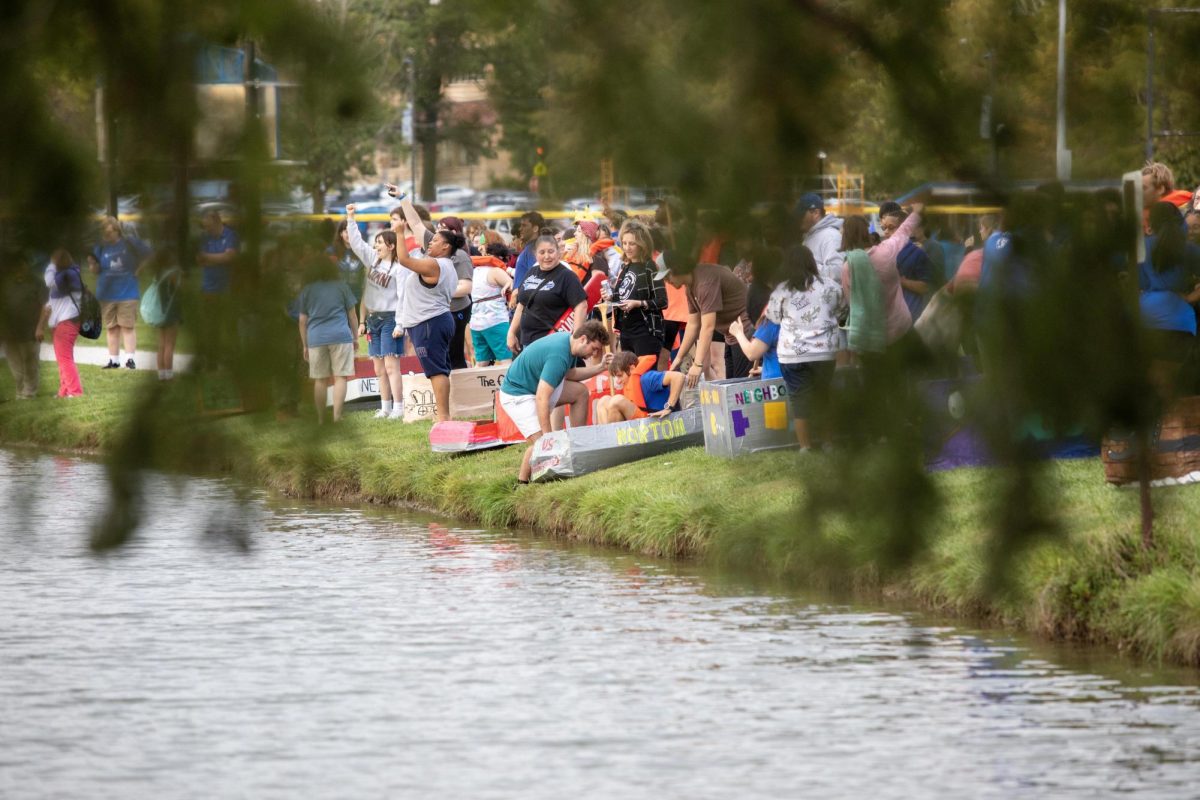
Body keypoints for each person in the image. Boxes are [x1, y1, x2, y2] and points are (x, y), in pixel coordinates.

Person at [498, 320, 612, 483]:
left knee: (580, 392)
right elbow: (541, 398)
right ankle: (521, 483)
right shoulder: (559, 354)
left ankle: (578, 449)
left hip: (534, 388)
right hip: (518, 395)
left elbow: (570, 374)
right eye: (594, 348)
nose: (593, 354)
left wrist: (600, 367)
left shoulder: (569, 343)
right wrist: (548, 437)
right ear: (583, 339)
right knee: (542, 446)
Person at [766, 244, 845, 449]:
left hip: (792, 353)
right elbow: (843, 310)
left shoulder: (782, 290)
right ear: (812, 262)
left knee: (799, 399)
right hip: (824, 352)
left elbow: (773, 317)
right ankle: (828, 443)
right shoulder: (830, 286)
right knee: (824, 396)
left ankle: (805, 447)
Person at [393, 197, 461, 422]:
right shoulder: (443, 261)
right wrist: (403, 198)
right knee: (438, 370)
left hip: (430, 322)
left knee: (436, 371)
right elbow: (416, 223)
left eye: (435, 241)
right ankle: (443, 415)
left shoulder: (434, 264)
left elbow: (403, 259)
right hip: (432, 320)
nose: (430, 243)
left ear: (446, 246)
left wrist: (399, 234)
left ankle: (443, 417)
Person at [392, 195, 475, 371]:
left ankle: (456, 396)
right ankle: (451, 396)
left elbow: (467, 287)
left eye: (442, 229)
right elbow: (415, 224)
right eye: (436, 228)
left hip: (452, 311)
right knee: (441, 363)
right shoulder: (434, 249)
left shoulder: (456, 256)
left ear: (449, 239)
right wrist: (402, 198)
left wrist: (444, 288)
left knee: (451, 360)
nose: (435, 234)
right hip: (434, 313)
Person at [839, 203, 924, 354]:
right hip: (900, 330)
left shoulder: (847, 268)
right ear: (866, 232)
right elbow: (904, 230)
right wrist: (916, 211)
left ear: (845, 237)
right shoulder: (886, 251)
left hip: (871, 340)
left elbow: (852, 303)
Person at [346, 204, 405, 419]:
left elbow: (402, 298)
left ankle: (398, 407)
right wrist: (351, 218)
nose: (376, 246)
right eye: (376, 243)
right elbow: (356, 243)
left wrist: (400, 324)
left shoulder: (399, 269)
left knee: (391, 366)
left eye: (380, 243)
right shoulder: (373, 260)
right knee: (379, 369)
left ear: (391, 245)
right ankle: (385, 407)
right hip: (373, 319)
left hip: (390, 319)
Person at [659, 250, 750, 387]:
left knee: (742, 388)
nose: (666, 281)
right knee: (732, 387)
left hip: (745, 331)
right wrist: (678, 358)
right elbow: (693, 324)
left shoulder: (704, 282)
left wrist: (698, 364)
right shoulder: (690, 286)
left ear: (677, 268)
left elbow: (707, 326)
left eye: (667, 276)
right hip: (731, 335)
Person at [1139, 201, 1200, 402]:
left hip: (1147, 320)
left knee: (1151, 385)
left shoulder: (1142, 248)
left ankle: (1151, 430)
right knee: (1167, 384)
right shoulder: (1189, 249)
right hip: (1181, 322)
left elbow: (1138, 284)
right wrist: (1191, 297)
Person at [298, 254, 359, 423]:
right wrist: (355, 337)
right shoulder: (341, 286)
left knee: (320, 379)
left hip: (315, 338)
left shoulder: (307, 290)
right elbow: (352, 316)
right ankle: (337, 417)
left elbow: (303, 321)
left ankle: (320, 419)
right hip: (340, 335)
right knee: (340, 377)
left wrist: (305, 345)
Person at [508, 235, 588, 353]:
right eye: (542, 252)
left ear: (558, 252)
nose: (547, 256)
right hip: (528, 342)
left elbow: (581, 305)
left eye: (551, 251)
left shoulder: (567, 276)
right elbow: (522, 304)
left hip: (553, 342)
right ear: (536, 255)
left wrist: (575, 338)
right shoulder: (531, 272)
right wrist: (511, 332)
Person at [88, 216, 150, 369]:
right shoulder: (100, 247)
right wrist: (92, 265)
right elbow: (95, 270)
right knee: (111, 327)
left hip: (127, 292)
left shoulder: (129, 243)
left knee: (127, 326)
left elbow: (149, 255)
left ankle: (130, 360)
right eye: (104, 233)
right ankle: (114, 360)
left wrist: (139, 270)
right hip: (106, 294)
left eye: (109, 233)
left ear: (117, 231)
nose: (106, 236)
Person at [608, 221, 667, 357]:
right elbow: (622, 299)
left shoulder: (650, 267)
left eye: (632, 243)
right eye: (624, 243)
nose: (627, 248)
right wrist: (610, 297)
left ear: (642, 245)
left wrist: (639, 303)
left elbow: (663, 301)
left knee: (645, 376)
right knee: (629, 375)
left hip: (645, 331)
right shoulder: (625, 268)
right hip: (626, 331)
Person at [35, 249, 84, 398]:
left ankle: (75, 392)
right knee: (63, 358)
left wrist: (50, 265)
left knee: (64, 358)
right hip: (61, 322)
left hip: (67, 321)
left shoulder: (69, 274)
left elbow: (48, 281)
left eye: (54, 261)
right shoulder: (65, 277)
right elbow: (51, 302)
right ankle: (64, 390)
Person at [2, 253, 47, 399]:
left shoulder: (37, 283)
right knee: (15, 367)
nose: (19, 268)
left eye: (22, 265)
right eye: (16, 266)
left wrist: (40, 327)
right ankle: (20, 391)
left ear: (27, 266)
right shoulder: (6, 283)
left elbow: (45, 306)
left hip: (30, 332)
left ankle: (29, 393)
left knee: (31, 365)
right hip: (9, 333)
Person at [594, 351, 685, 424]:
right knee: (603, 401)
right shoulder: (628, 382)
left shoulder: (647, 378)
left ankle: (613, 443)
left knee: (616, 400)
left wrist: (669, 407)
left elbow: (679, 377)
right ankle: (607, 441)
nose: (618, 381)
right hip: (644, 419)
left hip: (662, 421)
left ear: (632, 369)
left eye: (620, 375)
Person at [469, 244, 514, 366]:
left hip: (476, 323)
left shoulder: (474, 271)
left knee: (481, 363)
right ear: (502, 258)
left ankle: (477, 385)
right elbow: (513, 285)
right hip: (496, 320)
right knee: (506, 361)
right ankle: (509, 385)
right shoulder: (495, 271)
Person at [145, 248, 183, 381]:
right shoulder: (174, 273)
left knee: (161, 344)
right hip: (171, 311)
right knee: (170, 345)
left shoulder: (158, 273)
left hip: (159, 312)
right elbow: (180, 290)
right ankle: (169, 374)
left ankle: (161, 374)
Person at [794, 192, 844, 282]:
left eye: (801, 215)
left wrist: (806, 266)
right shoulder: (809, 236)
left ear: (816, 213)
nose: (798, 219)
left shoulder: (830, 236)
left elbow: (839, 272)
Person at [197, 209, 239, 296]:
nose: (206, 229)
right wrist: (221, 259)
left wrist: (207, 257)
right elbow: (200, 260)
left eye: (209, 226)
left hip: (226, 288)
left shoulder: (230, 235)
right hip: (208, 287)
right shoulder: (205, 237)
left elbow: (229, 257)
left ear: (217, 222)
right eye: (205, 226)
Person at [328, 221, 364, 307]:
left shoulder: (362, 251)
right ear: (341, 233)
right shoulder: (331, 251)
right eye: (346, 231)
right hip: (337, 299)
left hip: (357, 298)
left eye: (352, 232)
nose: (350, 234)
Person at [511, 211, 546, 290]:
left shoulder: (534, 250)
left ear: (535, 228)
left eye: (524, 225)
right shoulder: (530, 248)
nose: (520, 229)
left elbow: (537, 279)